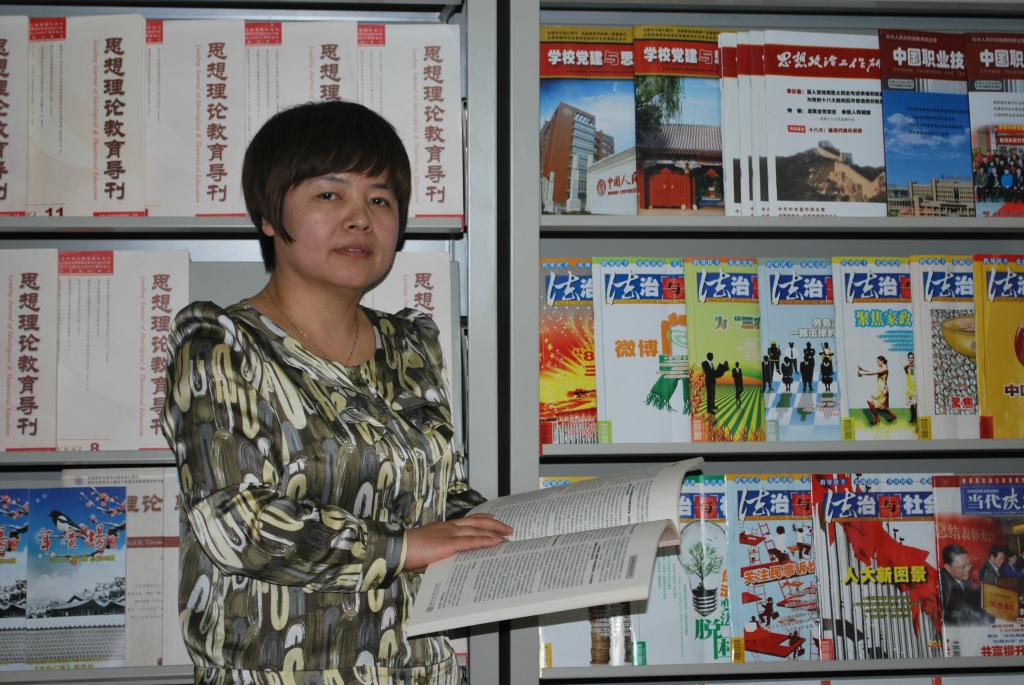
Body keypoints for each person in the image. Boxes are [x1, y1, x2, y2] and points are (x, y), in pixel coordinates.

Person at [160, 101, 512, 684]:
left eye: (380, 200)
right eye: (330, 194)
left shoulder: (410, 345)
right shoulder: (220, 342)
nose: (360, 219)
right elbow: (236, 521)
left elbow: (436, 499)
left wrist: (524, 529)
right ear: (269, 215)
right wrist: (402, 548)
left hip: (418, 671)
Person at [939, 544, 993, 626]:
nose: (968, 568)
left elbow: (970, 594)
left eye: (969, 564)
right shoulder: (945, 586)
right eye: (963, 566)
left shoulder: (961, 578)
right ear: (948, 568)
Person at [858, 355, 896, 425]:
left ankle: (876, 418)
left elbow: (872, 373)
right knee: (882, 407)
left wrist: (862, 373)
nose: (877, 363)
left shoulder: (884, 369)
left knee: (870, 401)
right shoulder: (882, 368)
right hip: (880, 390)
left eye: (878, 362)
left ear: (882, 361)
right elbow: (872, 372)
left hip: (882, 391)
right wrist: (863, 370)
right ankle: (892, 416)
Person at [904, 351, 917, 424]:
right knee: (911, 404)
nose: (911, 359)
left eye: (912, 357)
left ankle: (917, 417)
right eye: (909, 358)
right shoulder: (907, 367)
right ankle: (913, 417)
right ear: (908, 359)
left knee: (916, 404)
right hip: (909, 388)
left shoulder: (916, 366)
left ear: (914, 358)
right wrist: (910, 365)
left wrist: (914, 365)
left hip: (916, 388)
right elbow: (905, 368)